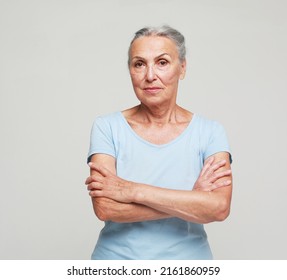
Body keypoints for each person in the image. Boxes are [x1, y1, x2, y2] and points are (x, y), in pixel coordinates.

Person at [85, 25, 233, 260]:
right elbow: (106, 208)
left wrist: (132, 190)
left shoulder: (210, 132)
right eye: (139, 64)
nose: (150, 75)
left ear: (182, 67)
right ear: (130, 70)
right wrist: (190, 200)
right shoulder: (107, 127)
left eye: (162, 62)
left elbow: (218, 208)